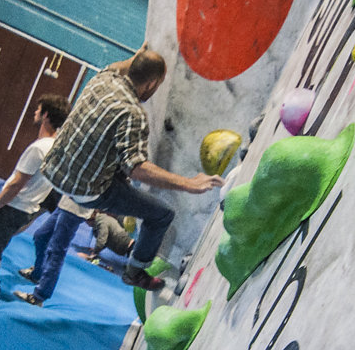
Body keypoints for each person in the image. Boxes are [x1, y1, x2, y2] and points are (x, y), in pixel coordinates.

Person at [40, 47, 223, 292]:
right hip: (86, 190)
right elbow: (137, 168)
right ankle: (135, 271)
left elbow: (118, 66)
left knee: (116, 161)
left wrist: (140, 54)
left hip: (54, 167)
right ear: (151, 84)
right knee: (161, 214)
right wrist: (189, 183)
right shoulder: (133, 113)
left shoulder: (102, 79)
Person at [0, 96, 69, 312]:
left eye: (38, 109)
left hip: (15, 206)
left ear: (46, 115)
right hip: (27, 208)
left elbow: (17, 183)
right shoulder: (57, 147)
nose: (34, 112)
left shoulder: (39, 148)